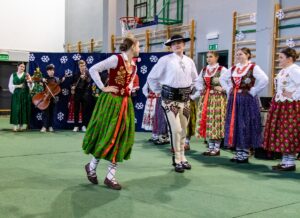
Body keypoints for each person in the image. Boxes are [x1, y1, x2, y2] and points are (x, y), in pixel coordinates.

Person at [82, 36, 140, 190]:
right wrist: (103, 87)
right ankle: (92, 166)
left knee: (119, 137)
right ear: (133, 46)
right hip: (111, 103)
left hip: (124, 104)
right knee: (107, 134)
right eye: (139, 45)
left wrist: (129, 89)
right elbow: (93, 69)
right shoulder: (116, 59)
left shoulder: (134, 65)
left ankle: (110, 176)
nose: (140, 49)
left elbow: (128, 84)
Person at [147, 34, 198, 173]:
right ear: (170, 46)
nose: (177, 45)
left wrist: (192, 93)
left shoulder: (189, 61)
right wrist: (159, 91)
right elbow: (151, 78)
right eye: (174, 43)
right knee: (175, 129)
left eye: (179, 42)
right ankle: (176, 159)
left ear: (184, 44)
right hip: (170, 100)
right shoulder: (165, 60)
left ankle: (183, 158)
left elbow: (195, 79)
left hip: (185, 100)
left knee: (183, 130)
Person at [220, 47, 269, 163]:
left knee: (245, 124)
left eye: (241, 54)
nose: (238, 56)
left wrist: (254, 90)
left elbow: (264, 79)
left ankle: (245, 152)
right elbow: (222, 79)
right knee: (235, 123)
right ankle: (238, 151)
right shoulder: (234, 68)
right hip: (235, 99)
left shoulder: (253, 67)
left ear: (248, 55)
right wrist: (228, 89)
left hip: (247, 99)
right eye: (237, 54)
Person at [263, 47, 300, 171]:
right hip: (281, 104)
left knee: (289, 133)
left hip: (290, 106)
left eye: (281, 57)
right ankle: (285, 161)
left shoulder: (295, 70)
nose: (279, 60)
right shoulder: (284, 70)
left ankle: (290, 162)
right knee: (282, 132)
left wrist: (293, 95)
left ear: (289, 59)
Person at [191, 51, 228, 156]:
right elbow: (197, 82)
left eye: (211, 57)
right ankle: (210, 147)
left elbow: (230, 83)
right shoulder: (204, 70)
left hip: (218, 99)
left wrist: (223, 89)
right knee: (208, 122)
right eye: (207, 57)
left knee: (216, 122)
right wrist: (200, 88)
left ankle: (217, 148)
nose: (208, 59)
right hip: (206, 99)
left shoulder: (222, 70)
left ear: (217, 58)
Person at [40, 64, 65, 132]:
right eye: (50, 70)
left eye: (53, 70)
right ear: (47, 71)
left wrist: (62, 80)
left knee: (52, 112)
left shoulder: (56, 79)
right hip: (45, 98)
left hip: (53, 98)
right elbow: (39, 82)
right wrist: (41, 80)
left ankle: (51, 126)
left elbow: (58, 89)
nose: (52, 71)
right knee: (45, 113)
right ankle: (44, 126)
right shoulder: (45, 78)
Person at [8, 62, 32, 132]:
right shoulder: (13, 75)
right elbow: (10, 85)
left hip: (24, 95)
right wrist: (17, 86)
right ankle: (15, 125)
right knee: (16, 109)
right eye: (21, 66)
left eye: (23, 67)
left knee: (23, 109)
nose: (22, 68)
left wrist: (30, 82)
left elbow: (31, 86)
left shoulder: (26, 75)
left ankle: (21, 125)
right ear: (17, 67)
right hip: (16, 95)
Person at [71, 60, 92, 132]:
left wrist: (85, 78)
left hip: (85, 94)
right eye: (81, 66)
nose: (83, 67)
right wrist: (72, 87)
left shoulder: (88, 73)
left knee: (85, 110)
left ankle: (84, 125)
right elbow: (72, 83)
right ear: (79, 66)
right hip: (77, 93)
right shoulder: (76, 74)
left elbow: (90, 81)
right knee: (76, 110)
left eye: (84, 65)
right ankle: (76, 126)